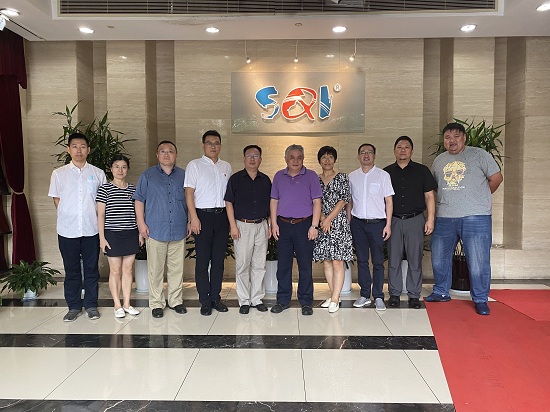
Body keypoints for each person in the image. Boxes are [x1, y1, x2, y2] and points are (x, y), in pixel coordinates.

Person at [427, 122, 503, 315]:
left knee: (478, 261)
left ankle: (480, 299)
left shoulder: (479, 155)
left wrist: (479, 198)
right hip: (445, 217)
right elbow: (436, 186)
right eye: (447, 137)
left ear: (464, 138)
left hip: (476, 217)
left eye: (456, 136)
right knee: (439, 258)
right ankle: (441, 291)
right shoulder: (439, 161)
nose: (451, 141)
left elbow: (496, 178)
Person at [48, 132, 107, 322]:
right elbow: (57, 200)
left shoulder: (98, 173)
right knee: (71, 270)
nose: (78, 150)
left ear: (88, 150)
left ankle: (91, 305)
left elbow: (102, 202)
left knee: (91, 269)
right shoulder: (59, 173)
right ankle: (73, 306)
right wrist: (70, 215)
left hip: (92, 229)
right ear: (68, 149)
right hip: (67, 230)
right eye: (74, 146)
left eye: (82, 147)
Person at [133, 141, 188, 319]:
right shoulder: (148, 175)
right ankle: (156, 303)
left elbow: (190, 200)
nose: (166, 154)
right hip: (155, 230)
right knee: (155, 270)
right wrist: (141, 224)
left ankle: (175, 301)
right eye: (162, 151)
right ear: (157, 155)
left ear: (176, 155)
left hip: (178, 229)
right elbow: (139, 200)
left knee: (176, 269)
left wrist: (189, 221)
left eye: (170, 151)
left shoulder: (184, 175)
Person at [383, 136, 437, 309]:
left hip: (415, 220)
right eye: (399, 147)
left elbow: (429, 196)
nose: (403, 150)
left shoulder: (422, 171)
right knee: (393, 259)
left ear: (412, 151)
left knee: (415, 259)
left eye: (406, 147)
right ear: (394, 150)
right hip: (394, 221)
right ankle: (394, 294)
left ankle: (414, 295)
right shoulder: (386, 173)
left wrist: (430, 219)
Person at [270, 144, 322, 316]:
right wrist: (274, 224)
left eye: (299, 157)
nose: (295, 161)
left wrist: (314, 225)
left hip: (304, 225)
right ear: (286, 159)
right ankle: (282, 300)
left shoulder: (311, 176)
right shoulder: (279, 176)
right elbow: (274, 201)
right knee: (283, 265)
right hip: (283, 225)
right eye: (292, 157)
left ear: (303, 159)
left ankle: (306, 302)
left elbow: (317, 202)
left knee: (305, 266)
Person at [185, 130, 232, 316]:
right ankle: (204, 300)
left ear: (220, 145)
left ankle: (215, 298)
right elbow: (189, 193)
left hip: (222, 217)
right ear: (203, 145)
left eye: (216, 143)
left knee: (218, 261)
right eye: (209, 143)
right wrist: (193, 217)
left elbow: (229, 197)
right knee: (203, 261)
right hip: (202, 217)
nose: (213, 146)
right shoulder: (194, 165)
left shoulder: (226, 166)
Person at [225, 145, 272, 314]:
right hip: (242, 226)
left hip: (261, 226)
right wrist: (233, 226)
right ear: (244, 159)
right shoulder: (235, 179)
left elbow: (271, 204)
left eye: (256, 156)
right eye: (249, 156)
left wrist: (269, 224)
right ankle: (244, 300)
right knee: (243, 265)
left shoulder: (265, 180)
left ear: (261, 159)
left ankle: (257, 299)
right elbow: (228, 203)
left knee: (259, 265)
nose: (252, 159)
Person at [348, 143, 394, 312]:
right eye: (362, 152)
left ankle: (379, 296)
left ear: (374, 156)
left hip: (377, 224)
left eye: (369, 152)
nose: (366, 155)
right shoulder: (352, 176)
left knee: (378, 262)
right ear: (358, 156)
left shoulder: (383, 175)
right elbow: (349, 201)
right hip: (358, 223)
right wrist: (349, 222)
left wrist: (388, 224)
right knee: (361, 260)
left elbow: (389, 201)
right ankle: (365, 295)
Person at [97, 155, 142, 318]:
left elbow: (138, 213)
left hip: (130, 233)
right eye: (116, 166)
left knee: (128, 269)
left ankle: (127, 304)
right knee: (115, 270)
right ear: (111, 169)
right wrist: (102, 238)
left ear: (128, 169)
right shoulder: (104, 189)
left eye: (123, 167)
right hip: (112, 234)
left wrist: (140, 234)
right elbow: (100, 215)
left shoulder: (133, 189)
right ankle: (117, 305)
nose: (120, 170)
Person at [313, 146, 353, 313]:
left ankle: (335, 299)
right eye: (324, 157)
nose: (327, 160)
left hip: (338, 223)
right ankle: (333, 295)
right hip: (322, 223)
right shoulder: (315, 179)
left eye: (330, 157)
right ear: (319, 160)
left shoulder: (342, 177)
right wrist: (322, 218)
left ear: (335, 159)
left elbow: (343, 200)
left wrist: (328, 219)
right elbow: (313, 201)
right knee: (327, 261)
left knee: (338, 261)